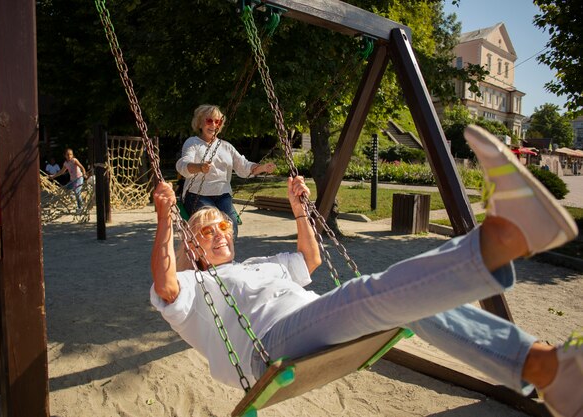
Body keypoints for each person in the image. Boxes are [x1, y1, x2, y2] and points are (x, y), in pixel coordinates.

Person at [151, 125, 581, 417]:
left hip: (312, 322)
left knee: (409, 301)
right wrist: (166, 221)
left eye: (224, 225)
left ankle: (544, 369)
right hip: (266, 347)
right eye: (207, 232)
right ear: (194, 248)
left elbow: (311, 261)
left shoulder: (260, 264)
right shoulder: (198, 284)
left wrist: (302, 210)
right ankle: (503, 238)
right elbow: (167, 287)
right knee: (365, 293)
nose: (221, 232)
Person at [176, 104, 277, 237]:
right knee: (211, 225)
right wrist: (200, 167)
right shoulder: (193, 143)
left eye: (217, 121)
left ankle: (226, 256)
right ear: (200, 123)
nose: (213, 125)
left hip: (223, 195)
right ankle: (207, 255)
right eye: (209, 120)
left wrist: (262, 168)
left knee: (230, 226)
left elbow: (243, 166)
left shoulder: (226, 147)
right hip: (197, 195)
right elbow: (183, 165)